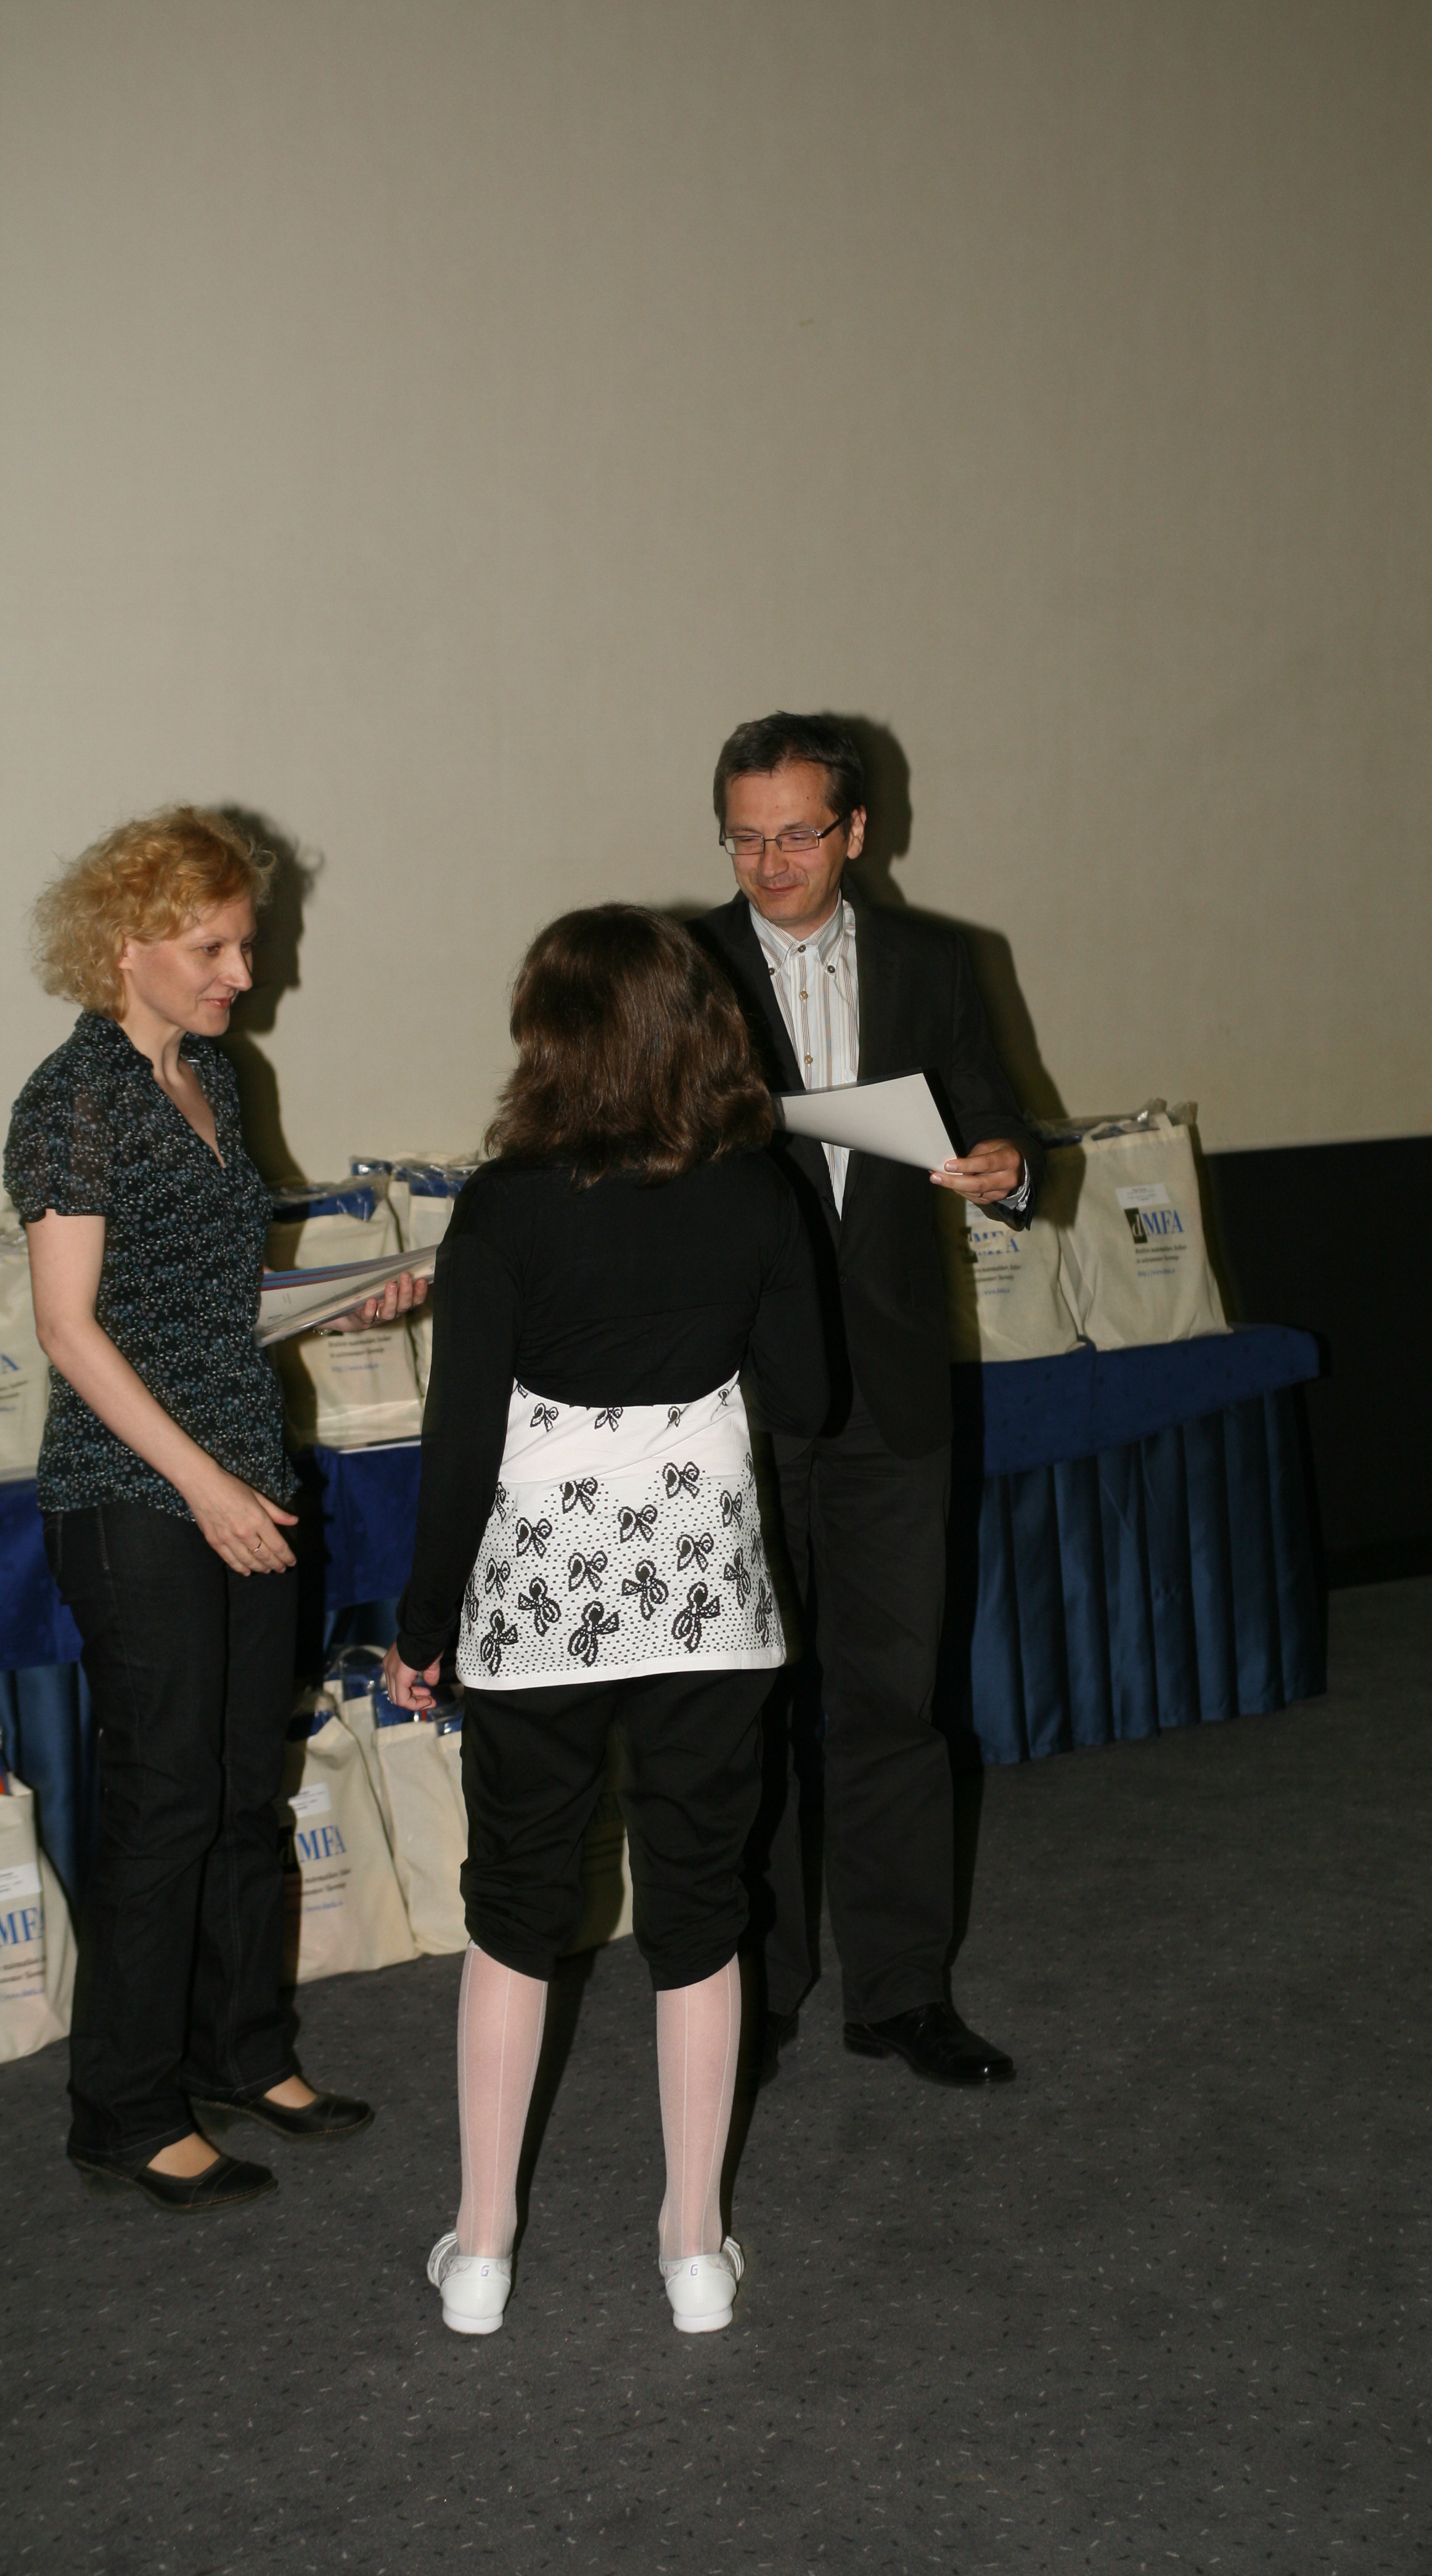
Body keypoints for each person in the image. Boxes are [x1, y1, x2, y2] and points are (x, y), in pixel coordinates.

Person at [382, 905, 828, 2339]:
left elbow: (460, 1445)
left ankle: (482, 2251)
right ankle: (694, 2252)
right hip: (703, 1591)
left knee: (517, 1901)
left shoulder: (506, 1205)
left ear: (554, 1040)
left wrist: (420, 1626)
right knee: (700, 1901)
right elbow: (810, 1399)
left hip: (541, 1596)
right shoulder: (759, 1190)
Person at [3, 807, 422, 2214]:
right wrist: (203, 1486)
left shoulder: (216, 1079)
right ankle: (124, 2112)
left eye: (247, 943)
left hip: (246, 1470)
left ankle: (242, 2052)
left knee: (247, 1788)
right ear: (124, 944)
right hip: (139, 1496)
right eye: (215, 948)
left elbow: (207, 1302)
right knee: (165, 1800)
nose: (246, 973)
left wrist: (338, 1302)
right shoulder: (73, 1100)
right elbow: (70, 1329)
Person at [695, 712, 1038, 2089]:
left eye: (797, 834)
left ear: (855, 832)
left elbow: (1001, 1121)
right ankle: (759, 1990)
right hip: (735, 1391)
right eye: (745, 837)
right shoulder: (682, 965)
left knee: (895, 1704)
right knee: (752, 1710)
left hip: (892, 1392)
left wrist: (1006, 1165)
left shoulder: (936, 961)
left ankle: (902, 1995)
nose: (770, 862)